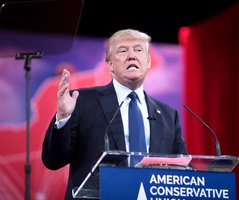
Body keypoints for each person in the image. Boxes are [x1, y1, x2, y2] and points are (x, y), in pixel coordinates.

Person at [41, 28, 187, 199]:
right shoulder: (82, 101)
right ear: (110, 65)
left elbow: (181, 170)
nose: (131, 56)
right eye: (123, 50)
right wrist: (63, 117)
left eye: (138, 50)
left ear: (147, 61)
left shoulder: (168, 115)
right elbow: (53, 160)